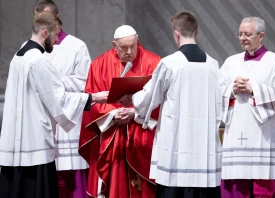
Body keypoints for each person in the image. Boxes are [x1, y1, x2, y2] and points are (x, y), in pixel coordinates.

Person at [0, 12, 108, 198]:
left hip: (16, 140)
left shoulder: (19, 55)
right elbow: (59, 100)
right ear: (45, 32)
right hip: (35, 143)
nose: (57, 39)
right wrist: (94, 98)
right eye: (56, 35)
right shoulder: (39, 61)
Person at [121, 11, 222, 198]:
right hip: (204, 150)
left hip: (177, 147)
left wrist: (131, 98)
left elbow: (149, 98)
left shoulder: (170, 64)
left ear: (176, 33)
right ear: (196, 32)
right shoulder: (214, 65)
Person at [78, 25, 161, 197]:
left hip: (143, 137)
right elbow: (90, 102)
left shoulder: (154, 62)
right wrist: (113, 113)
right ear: (114, 45)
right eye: (124, 47)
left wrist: (134, 113)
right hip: (111, 137)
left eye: (133, 46)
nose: (130, 51)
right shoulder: (99, 65)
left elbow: (162, 101)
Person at [219, 16, 275, 198]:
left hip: (265, 136)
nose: (243, 38)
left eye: (248, 34)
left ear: (261, 36)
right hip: (236, 136)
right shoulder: (231, 62)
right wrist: (232, 90)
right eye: (240, 34)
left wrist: (253, 90)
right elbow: (216, 91)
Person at [33, 1, 92, 197]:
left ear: (58, 19)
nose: (42, 26)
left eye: (46, 20)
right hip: (43, 123)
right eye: (38, 20)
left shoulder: (76, 46)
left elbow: (84, 81)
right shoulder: (33, 51)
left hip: (68, 124)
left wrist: (53, 83)